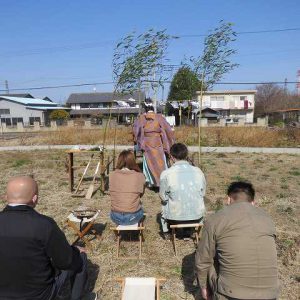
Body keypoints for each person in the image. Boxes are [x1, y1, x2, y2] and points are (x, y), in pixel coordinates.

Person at [0, 176, 88, 300]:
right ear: (35, 198)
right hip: (39, 295)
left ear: (6, 197)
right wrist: (75, 250)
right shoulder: (45, 225)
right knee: (80, 257)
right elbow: (65, 261)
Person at [195, 181, 279, 300]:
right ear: (253, 202)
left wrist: (203, 287)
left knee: (210, 260)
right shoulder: (268, 219)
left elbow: (203, 259)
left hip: (232, 294)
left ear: (228, 200)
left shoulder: (215, 219)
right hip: (271, 293)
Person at [159, 143, 206, 237]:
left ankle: (166, 232)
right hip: (196, 216)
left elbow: (163, 197)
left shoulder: (166, 174)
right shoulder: (198, 171)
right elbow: (203, 193)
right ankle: (192, 230)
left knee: (164, 202)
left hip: (174, 217)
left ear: (171, 157)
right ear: (186, 155)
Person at [133, 100, 174, 188]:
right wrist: (169, 142)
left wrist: (138, 141)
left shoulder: (141, 118)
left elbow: (136, 131)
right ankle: (162, 181)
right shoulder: (159, 117)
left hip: (147, 143)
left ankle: (151, 182)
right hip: (158, 143)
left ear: (145, 108)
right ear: (153, 108)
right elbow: (168, 130)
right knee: (160, 162)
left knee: (149, 163)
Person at [109, 150, 145, 225]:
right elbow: (140, 194)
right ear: (132, 161)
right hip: (133, 216)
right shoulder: (139, 175)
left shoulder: (112, 175)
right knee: (140, 205)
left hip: (115, 216)